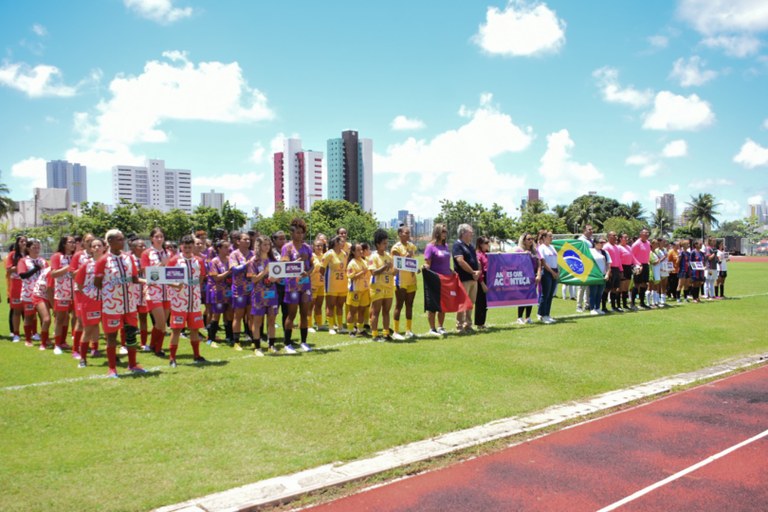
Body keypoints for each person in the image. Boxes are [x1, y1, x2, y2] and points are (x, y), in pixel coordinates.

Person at [94, 229, 145, 377]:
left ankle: (133, 364)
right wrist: (112, 291)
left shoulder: (128, 258)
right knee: (111, 336)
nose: (123, 242)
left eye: (123, 239)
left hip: (129, 303)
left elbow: (135, 279)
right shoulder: (103, 260)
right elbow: (97, 283)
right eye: (119, 239)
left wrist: (150, 282)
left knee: (131, 334)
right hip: (112, 305)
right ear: (110, 242)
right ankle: (112, 368)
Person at [166, 235, 208, 367]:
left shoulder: (199, 261)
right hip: (179, 301)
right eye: (185, 247)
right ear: (181, 247)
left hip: (194, 301)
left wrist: (195, 289)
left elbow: (202, 277)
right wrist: (176, 285)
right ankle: (172, 358)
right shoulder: (174, 260)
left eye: (190, 246)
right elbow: (167, 279)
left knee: (194, 329)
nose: (188, 249)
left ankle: (197, 355)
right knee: (176, 329)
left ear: (193, 247)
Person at [281, 217, 314, 353]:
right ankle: (288, 343)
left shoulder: (307, 248)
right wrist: (299, 260)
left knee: (304, 314)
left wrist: (308, 272)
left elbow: (312, 265)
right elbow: (284, 266)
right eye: (297, 232)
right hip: (292, 286)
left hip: (305, 285)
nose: (300, 235)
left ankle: (304, 342)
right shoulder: (287, 248)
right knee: (291, 314)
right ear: (292, 233)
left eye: (302, 232)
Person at [73, 238, 105, 368]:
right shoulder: (87, 264)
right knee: (88, 328)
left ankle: (108, 353)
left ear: (104, 247)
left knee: (110, 330)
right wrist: (90, 294)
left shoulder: (109, 263)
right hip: (90, 301)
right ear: (91, 249)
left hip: (108, 301)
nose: (97, 248)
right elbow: (79, 283)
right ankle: (83, 358)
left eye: (99, 245)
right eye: (94, 246)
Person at [141, 227, 170, 357]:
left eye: (161, 237)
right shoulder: (146, 253)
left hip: (167, 292)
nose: (159, 239)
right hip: (153, 292)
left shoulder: (168, 253)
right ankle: (158, 348)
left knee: (161, 323)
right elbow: (148, 274)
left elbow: (173, 273)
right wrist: (161, 265)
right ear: (151, 238)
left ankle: (152, 344)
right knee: (161, 322)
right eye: (156, 237)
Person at [247, 235, 279, 355]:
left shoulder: (273, 260)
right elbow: (253, 280)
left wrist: (275, 278)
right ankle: (257, 347)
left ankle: (271, 345)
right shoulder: (253, 261)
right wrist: (264, 272)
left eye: (268, 244)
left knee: (271, 320)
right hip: (259, 295)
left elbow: (279, 278)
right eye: (264, 244)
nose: (266, 247)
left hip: (272, 294)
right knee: (257, 321)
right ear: (258, 246)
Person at [17, 239, 47, 347]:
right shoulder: (23, 261)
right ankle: (28, 339)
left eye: (38, 247)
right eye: (34, 247)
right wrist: (35, 269)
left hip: (41, 293)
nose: (36, 249)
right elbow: (22, 275)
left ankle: (44, 339)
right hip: (28, 293)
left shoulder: (43, 261)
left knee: (44, 317)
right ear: (28, 248)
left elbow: (48, 274)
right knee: (29, 316)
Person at [49, 236, 76, 353]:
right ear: (64, 244)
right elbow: (53, 274)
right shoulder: (57, 256)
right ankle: (57, 345)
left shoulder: (76, 256)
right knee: (60, 318)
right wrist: (67, 268)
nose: (73, 244)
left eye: (74, 242)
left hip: (76, 292)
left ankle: (65, 342)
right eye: (70, 242)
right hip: (62, 292)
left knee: (74, 317)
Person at [423, 223, 451, 337]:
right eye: (443, 231)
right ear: (438, 232)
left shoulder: (446, 246)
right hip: (434, 279)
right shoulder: (430, 246)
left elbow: (446, 262)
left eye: (446, 231)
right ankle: (432, 328)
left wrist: (451, 271)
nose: (445, 233)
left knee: (443, 304)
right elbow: (427, 262)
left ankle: (440, 326)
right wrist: (424, 267)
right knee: (433, 305)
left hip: (446, 279)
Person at [391, 225, 418, 339]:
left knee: (410, 305)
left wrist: (417, 268)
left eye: (409, 233)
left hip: (411, 279)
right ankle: (396, 331)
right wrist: (407, 256)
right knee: (399, 304)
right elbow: (398, 264)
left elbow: (412, 262)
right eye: (406, 233)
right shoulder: (396, 248)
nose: (408, 235)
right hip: (400, 279)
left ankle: (408, 330)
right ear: (400, 234)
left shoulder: (411, 246)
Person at [452, 223, 480, 333]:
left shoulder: (470, 246)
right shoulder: (457, 245)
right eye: (470, 232)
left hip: (473, 279)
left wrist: (477, 271)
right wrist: (473, 271)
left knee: (471, 303)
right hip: (464, 279)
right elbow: (460, 261)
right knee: (462, 303)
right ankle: (460, 326)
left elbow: (476, 260)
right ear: (463, 233)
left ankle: (468, 325)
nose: (472, 234)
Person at [369, 229, 395, 341]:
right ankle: (374, 334)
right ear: (377, 244)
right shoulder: (373, 257)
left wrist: (398, 268)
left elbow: (393, 272)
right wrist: (385, 266)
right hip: (377, 287)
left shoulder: (388, 256)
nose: (386, 245)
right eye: (384, 243)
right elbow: (373, 272)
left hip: (388, 286)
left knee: (386, 311)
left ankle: (386, 333)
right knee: (376, 311)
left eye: (386, 242)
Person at [229, 232, 254, 350]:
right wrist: (247, 264)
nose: (248, 241)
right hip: (239, 290)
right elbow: (234, 269)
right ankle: (236, 341)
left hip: (252, 289)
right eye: (245, 239)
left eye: (249, 240)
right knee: (238, 315)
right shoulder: (234, 254)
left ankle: (254, 338)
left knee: (252, 315)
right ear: (238, 241)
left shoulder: (253, 254)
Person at [206, 239, 233, 347]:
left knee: (229, 314)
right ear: (219, 249)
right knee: (216, 314)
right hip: (217, 291)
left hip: (229, 291)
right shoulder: (214, 261)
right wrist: (228, 272)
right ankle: (211, 338)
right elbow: (216, 277)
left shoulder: (230, 260)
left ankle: (229, 336)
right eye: (225, 247)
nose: (228, 249)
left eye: (229, 247)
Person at [320, 235, 348, 335]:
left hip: (342, 283)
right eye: (341, 241)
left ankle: (340, 327)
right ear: (336, 243)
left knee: (340, 306)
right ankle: (331, 327)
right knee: (331, 306)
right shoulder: (329, 254)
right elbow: (322, 269)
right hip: (331, 284)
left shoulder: (344, 254)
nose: (343, 242)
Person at [128, 237, 150, 351]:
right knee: (129, 320)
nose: (143, 248)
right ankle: (126, 343)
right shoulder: (129, 259)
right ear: (134, 248)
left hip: (144, 292)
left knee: (143, 318)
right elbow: (132, 277)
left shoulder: (147, 259)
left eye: (144, 245)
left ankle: (144, 343)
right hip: (131, 292)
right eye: (140, 246)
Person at [514, 233, 540, 324]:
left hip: (533, 276)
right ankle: (519, 317)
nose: (530, 240)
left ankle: (528, 317)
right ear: (523, 240)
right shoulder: (519, 250)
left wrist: (538, 275)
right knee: (523, 297)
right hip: (523, 277)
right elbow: (513, 262)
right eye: (528, 239)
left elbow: (539, 263)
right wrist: (523, 255)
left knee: (531, 297)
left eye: (531, 239)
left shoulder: (534, 251)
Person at [346, 242, 370, 337]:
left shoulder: (363, 261)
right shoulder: (352, 263)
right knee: (352, 311)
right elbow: (351, 277)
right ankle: (351, 330)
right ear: (353, 252)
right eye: (358, 250)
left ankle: (360, 328)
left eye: (361, 250)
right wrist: (361, 273)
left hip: (364, 289)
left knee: (362, 310)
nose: (360, 251)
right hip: (355, 290)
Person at [7, 235, 27, 342]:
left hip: (28, 284)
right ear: (17, 243)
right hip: (16, 284)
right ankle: (16, 334)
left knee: (30, 310)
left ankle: (32, 333)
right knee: (16, 310)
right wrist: (21, 267)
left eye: (25, 241)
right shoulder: (12, 254)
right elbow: (9, 269)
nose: (24, 243)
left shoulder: (29, 254)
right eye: (21, 241)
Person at [537, 231, 558, 324]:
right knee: (545, 294)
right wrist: (552, 272)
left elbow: (555, 259)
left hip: (554, 271)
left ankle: (547, 314)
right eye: (549, 236)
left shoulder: (552, 247)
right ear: (544, 237)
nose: (551, 237)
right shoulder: (541, 248)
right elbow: (543, 263)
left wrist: (557, 271)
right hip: (547, 272)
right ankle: (542, 314)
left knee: (550, 295)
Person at [309, 238, 327, 333]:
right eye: (317, 245)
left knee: (319, 305)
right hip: (313, 284)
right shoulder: (311, 256)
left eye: (321, 245)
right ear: (313, 247)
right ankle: (308, 325)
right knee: (310, 305)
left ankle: (319, 324)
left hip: (322, 284)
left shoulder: (324, 256)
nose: (319, 247)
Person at [631, 229, 652, 309]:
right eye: (645, 233)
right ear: (641, 234)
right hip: (638, 265)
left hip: (646, 264)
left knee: (644, 284)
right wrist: (638, 264)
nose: (646, 234)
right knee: (637, 284)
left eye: (647, 233)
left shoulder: (648, 243)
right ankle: (632, 303)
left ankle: (642, 302)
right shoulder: (636, 244)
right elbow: (632, 255)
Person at [589, 238, 610, 315]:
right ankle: (592, 308)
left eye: (602, 243)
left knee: (599, 293)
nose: (601, 244)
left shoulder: (605, 252)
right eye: (600, 242)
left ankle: (597, 307)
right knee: (593, 292)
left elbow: (608, 264)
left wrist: (607, 274)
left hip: (602, 275)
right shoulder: (590, 251)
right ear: (595, 243)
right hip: (593, 275)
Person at [603, 231, 623, 312]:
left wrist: (621, 270)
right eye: (614, 235)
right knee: (607, 288)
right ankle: (604, 307)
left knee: (615, 288)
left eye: (616, 235)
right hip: (610, 269)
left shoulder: (617, 247)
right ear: (609, 236)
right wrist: (608, 271)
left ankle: (613, 306)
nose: (615, 237)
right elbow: (604, 260)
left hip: (616, 269)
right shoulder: (606, 247)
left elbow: (619, 259)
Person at [576, 224, 594, 313]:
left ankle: (587, 304)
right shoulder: (581, 240)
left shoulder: (592, 240)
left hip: (591, 265)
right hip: (583, 265)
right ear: (584, 230)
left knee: (589, 286)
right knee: (581, 286)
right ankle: (579, 305)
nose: (591, 231)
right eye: (589, 229)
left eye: (592, 230)